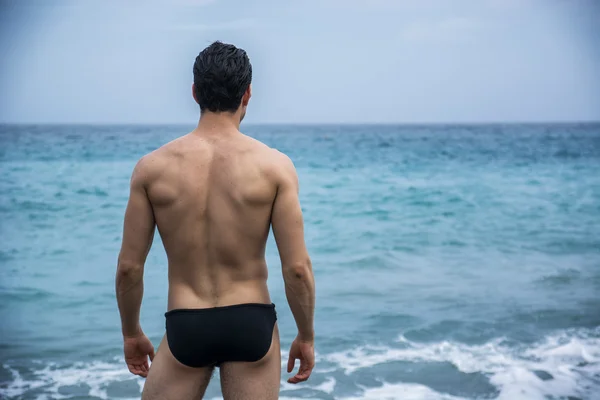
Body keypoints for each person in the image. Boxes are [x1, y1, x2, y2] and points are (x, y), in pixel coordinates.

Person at [115, 41, 316, 399]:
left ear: (194, 92)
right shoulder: (274, 167)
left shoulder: (152, 168)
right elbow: (297, 269)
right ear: (248, 94)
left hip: (186, 322)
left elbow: (130, 268)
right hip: (250, 321)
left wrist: (131, 334)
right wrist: (306, 335)